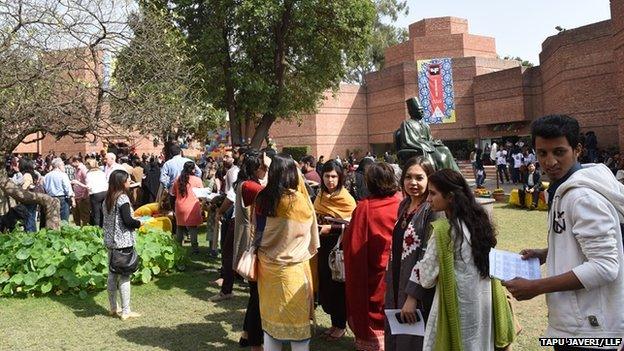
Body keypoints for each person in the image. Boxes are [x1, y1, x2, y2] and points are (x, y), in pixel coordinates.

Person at [503, 115, 624, 350]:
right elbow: (584, 242)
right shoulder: (564, 189)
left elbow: (605, 266)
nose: (550, 162)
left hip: (591, 332)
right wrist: (547, 253)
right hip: (572, 325)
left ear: (577, 149)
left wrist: (536, 287)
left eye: (559, 152)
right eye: (542, 153)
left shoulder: (582, 197)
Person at [414, 168, 497, 350]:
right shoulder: (479, 223)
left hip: (455, 308)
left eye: (433, 193)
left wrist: (420, 265)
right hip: (482, 307)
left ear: (450, 196)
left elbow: (427, 279)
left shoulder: (444, 231)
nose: (428, 199)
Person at [255, 154, 320, 351]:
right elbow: (310, 231)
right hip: (293, 271)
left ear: (272, 173)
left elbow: (256, 233)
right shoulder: (300, 201)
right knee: (297, 327)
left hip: (267, 269)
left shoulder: (262, 197)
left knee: (270, 323)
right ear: (293, 174)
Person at [344, 162, 401, 351]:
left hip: (372, 277)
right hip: (396, 275)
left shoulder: (364, 208)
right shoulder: (402, 202)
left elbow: (353, 248)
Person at [384, 157, 440, 350]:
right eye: (408, 177)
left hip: (418, 291)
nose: (413, 183)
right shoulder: (404, 205)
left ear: (430, 179)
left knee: (414, 340)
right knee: (398, 337)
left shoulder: (432, 210)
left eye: (419, 177)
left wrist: (413, 296)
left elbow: (428, 257)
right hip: (397, 281)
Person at [313, 160, 357, 341]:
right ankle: (334, 322)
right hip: (321, 246)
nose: (330, 180)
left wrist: (331, 228)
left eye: (334, 176)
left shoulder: (346, 198)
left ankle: (340, 325)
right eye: (326, 176)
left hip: (338, 247)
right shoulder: (320, 195)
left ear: (340, 178)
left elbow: (353, 225)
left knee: (337, 285)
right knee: (326, 284)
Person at [234, 150, 268, 351]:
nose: (265, 170)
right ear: (256, 169)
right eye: (263, 167)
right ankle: (255, 340)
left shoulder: (246, 183)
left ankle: (247, 334)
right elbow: (274, 195)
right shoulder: (250, 186)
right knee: (257, 296)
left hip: (251, 241)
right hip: (253, 244)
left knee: (255, 295)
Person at [103, 170, 142, 320]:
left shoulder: (107, 198)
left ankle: (113, 307)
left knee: (112, 274)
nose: (129, 182)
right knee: (125, 275)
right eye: (127, 180)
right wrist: (140, 222)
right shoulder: (122, 198)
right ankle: (126, 311)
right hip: (123, 242)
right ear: (121, 182)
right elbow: (128, 220)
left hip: (110, 241)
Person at [172, 161, 203, 254]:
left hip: (180, 206)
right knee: (192, 228)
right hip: (192, 206)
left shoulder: (178, 179)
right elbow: (202, 194)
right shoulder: (197, 180)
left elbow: (173, 193)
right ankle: (195, 249)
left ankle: (178, 248)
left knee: (179, 227)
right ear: (193, 169)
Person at [43, 157, 75, 221]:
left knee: (52, 219)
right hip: (62, 198)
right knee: (64, 220)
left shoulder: (47, 176)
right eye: (63, 165)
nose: (64, 167)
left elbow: (44, 187)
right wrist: (72, 199)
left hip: (50, 198)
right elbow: (67, 188)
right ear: (58, 166)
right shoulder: (63, 175)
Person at [19, 158, 40, 232]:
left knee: (29, 217)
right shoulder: (32, 174)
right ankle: (32, 233)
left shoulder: (27, 175)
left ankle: (30, 233)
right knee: (31, 217)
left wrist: (20, 190)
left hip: (28, 199)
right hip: (32, 198)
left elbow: (25, 186)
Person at [70, 156, 91, 226]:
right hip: (77, 196)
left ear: (77, 161)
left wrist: (83, 195)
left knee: (84, 217)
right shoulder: (76, 169)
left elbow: (88, 184)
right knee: (76, 216)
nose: (71, 164)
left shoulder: (83, 169)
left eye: (72, 162)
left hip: (83, 197)